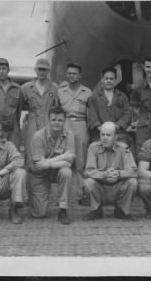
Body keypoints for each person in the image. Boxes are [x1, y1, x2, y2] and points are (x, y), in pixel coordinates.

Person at [28, 106, 75, 225]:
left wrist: (49, 163)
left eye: (60, 120)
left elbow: (70, 161)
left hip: (56, 171)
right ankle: (35, 197)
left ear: (65, 121)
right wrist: (63, 157)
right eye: (53, 120)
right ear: (48, 120)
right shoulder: (38, 136)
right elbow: (40, 165)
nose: (56, 123)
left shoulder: (69, 135)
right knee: (39, 214)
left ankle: (63, 210)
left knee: (66, 172)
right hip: (39, 174)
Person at [83, 122, 138, 220]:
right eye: (102, 134)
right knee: (88, 182)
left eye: (108, 135)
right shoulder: (93, 148)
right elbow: (88, 171)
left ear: (115, 136)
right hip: (100, 188)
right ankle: (96, 210)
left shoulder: (123, 148)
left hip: (118, 188)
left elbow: (133, 171)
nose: (104, 138)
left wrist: (119, 174)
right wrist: (104, 174)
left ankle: (121, 211)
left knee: (132, 182)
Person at [58, 63, 92, 206]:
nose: (71, 76)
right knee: (64, 160)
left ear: (80, 75)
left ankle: (82, 193)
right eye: (69, 73)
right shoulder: (61, 91)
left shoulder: (87, 92)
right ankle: (63, 197)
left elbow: (90, 113)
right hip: (65, 125)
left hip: (80, 125)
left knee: (80, 162)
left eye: (74, 73)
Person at [21, 58, 59, 167]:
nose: (42, 72)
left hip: (48, 122)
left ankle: (46, 178)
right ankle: (30, 177)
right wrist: (25, 119)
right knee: (30, 148)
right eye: (39, 69)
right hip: (32, 121)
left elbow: (57, 107)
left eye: (45, 70)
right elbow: (21, 106)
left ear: (49, 71)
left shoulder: (54, 88)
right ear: (35, 70)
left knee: (48, 148)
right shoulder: (26, 88)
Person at [87, 67, 132, 145]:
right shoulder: (94, 97)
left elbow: (127, 114)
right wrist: (101, 128)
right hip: (99, 135)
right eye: (106, 78)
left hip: (118, 135)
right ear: (102, 80)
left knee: (122, 151)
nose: (108, 81)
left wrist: (117, 125)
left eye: (111, 79)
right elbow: (92, 115)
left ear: (115, 80)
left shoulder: (122, 96)